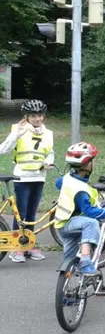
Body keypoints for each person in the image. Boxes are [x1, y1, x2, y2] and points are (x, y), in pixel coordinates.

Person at [54, 142, 105, 274]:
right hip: (70, 223)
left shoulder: (67, 178)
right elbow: (90, 212)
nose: (93, 164)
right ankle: (86, 261)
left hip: (61, 224)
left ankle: (69, 287)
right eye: (92, 161)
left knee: (69, 261)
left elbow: (58, 184)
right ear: (86, 165)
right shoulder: (81, 190)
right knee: (91, 223)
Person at [0, 99, 53, 263]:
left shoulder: (48, 133)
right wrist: (15, 136)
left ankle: (29, 245)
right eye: (33, 116)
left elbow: (50, 152)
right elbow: (3, 149)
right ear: (27, 117)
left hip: (39, 177)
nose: (37, 119)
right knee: (21, 215)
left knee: (31, 214)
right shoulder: (19, 129)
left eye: (39, 115)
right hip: (22, 177)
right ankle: (17, 248)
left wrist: (49, 162)